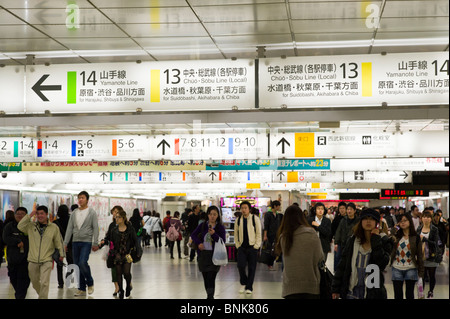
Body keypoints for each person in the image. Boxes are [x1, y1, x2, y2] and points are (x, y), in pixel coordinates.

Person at [331, 209, 393, 299]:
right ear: (361, 221)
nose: (368, 221)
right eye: (365, 218)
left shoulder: (384, 241)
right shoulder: (352, 241)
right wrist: (335, 289)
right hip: (351, 291)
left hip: (372, 292)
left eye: (372, 219)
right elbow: (343, 265)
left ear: (376, 223)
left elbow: (382, 263)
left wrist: (375, 239)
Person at [275, 205, 323, 299]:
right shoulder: (311, 234)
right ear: (302, 217)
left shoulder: (283, 238)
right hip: (310, 285)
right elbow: (320, 257)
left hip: (290, 287)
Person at [18, 205, 65, 299]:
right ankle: (43, 295)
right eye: (38, 214)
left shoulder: (54, 227)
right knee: (34, 282)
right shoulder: (31, 226)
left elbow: (58, 241)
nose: (40, 216)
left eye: (42, 213)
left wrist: (61, 254)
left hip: (47, 259)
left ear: (47, 214)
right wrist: (30, 215)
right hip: (32, 259)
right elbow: (20, 226)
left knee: (44, 282)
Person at [64, 191, 99, 297]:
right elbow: (70, 228)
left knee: (83, 262)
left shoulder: (91, 212)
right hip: (75, 241)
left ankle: (90, 282)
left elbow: (95, 227)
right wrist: (65, 242)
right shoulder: (74, 212)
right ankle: (81, 288)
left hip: (86, 241)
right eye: (79, 198)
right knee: (77, 265)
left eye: (82, 198)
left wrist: (95, 242)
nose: (80, 200)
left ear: (87, 200)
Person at [191, 205, 226, 299]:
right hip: (203, 255)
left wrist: (214, 234)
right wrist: (199, 243)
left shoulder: (220, 227)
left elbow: (222, 241)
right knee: (206, 277)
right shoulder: (202, 225)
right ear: (208, 215)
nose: (212, 216)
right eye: (210, 214)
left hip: (215, 255)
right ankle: (209, 295)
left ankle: (210, 296)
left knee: (211, 276)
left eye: (215, 214)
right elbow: (193, 235)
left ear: (218, 215)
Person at [390, 213, 424, 300]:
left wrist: (420, 273)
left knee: (409, 294)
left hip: (411, 268)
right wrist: (396, 227)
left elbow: (420, 256)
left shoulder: (415, 237)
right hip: (396, 267)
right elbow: (390, 235)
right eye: (400, 221)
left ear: (410, 222)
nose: (403, 223)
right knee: (398, 295)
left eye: (405, 220)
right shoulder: (396, 236)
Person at [110, 209, 140, 299]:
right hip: (117, 254)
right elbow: (111, 242)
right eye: (116, 217)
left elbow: (135, 241)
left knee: (126, 273)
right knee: (118, 273)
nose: (117, 219)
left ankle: (127, 286)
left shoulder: (130, 229)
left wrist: (137, 251)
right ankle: (121, 290)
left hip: (127, 254)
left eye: (119, 217)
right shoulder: (114, 230)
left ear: (123, 218)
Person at [234, 201, 262, 294]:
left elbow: (258, 233)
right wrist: (238, 245)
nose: (244, 210)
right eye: (242, 208)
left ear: (249, 209)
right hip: (242, 247)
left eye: (245, 208)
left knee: (252, 268)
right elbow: (236, 234)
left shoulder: (255, 219)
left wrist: (256, 246)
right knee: (240, 266)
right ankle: (244, 283)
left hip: (252, 247)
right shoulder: (238, 220)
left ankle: (249, 287)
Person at [2, 207, 30, 299]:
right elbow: (5, 238)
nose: (19, 215)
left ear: (26, 216)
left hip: (26, 260)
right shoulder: (9, 226)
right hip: (12, 260)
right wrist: (17, 241)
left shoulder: (30, 227)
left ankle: (20, 296)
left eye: (22, 213)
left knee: (23, 282)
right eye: (17, 213)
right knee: (13, 279)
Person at [417, 210, 441, 299]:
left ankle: (431, 291)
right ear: (421, 218)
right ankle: (421, 292)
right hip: (421, 256)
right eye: (424, 217)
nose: (426, 219)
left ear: (431, 219)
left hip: (431, 256)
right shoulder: (419, 229)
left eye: (428, 217)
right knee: (422, 275)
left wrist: (425, 240)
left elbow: (436, 243)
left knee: (431, 275)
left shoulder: (434, 229)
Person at [100, 206, 121, 296]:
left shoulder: (127, 224)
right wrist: (103, 241)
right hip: (113, 251)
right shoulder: (111, 225)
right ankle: (116, 287)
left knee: (124, 271)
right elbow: (108, 236)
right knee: (114, 269)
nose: (115, 214)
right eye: (113, 212)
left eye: (117, 212)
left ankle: (128, 282)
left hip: (123, 251)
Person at [53, 204, 73, 289]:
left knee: (59, 264)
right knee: (70, 263)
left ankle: (60, 283)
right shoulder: (71, 221)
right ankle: (69, 280)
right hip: (70, 245)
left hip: (59, 245)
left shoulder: (55, 223)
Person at [263, 200, 283, 270]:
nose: (279, 207)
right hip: (270, 235)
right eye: (278, 206)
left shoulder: (277, 215)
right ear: (275, 206)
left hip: (276, 235)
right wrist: (265, 235)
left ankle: (271, 263)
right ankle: (269, 264)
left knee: (275, 249)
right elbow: (266, 226)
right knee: (270, 249)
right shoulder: (268, 214)